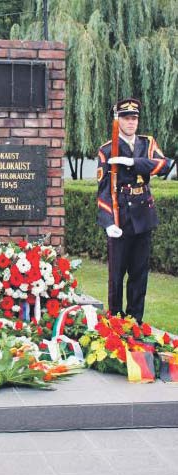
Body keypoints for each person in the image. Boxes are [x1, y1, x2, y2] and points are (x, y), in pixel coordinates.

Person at [96, 97, 172, 323]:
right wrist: (108, 222)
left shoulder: (147, 144)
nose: (131, 123)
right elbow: (103, 191)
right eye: (126, 118)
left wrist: (133, 163)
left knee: (139, 275)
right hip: (120, 217)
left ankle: (135, 322)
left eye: (134, 118)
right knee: (116, 276)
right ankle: (116, 321)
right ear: (117, 120)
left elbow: (164, 164)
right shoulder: (107, 149)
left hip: (144, 217)